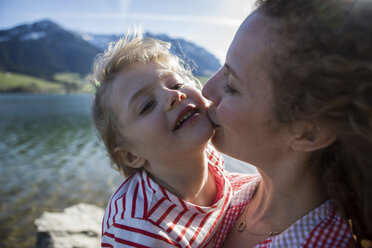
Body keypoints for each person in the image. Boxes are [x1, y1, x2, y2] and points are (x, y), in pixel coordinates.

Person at [202, 0, 372, 247]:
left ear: (308, 132)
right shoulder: (224, 193)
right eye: (222, 68)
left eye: (232, 85)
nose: (207, 90)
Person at [91, 33, 252, 248]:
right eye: (147, 105)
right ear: (132, 155)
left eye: (175, 85)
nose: (173, 96)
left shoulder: (209, 157)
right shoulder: (140, 228)